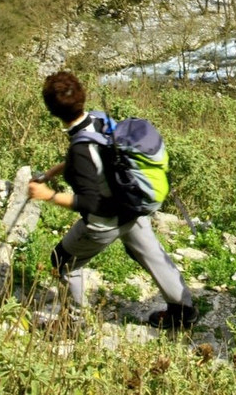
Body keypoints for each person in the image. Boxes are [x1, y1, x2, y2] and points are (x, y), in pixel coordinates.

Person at [28, 70, 198, 329]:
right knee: (152, 255)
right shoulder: (98, 119)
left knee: (62, 262)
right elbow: (102, 152)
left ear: (52, 111)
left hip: (105, 220)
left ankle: (72, 324)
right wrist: (55, 170)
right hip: (132, 206)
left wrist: (48, 195)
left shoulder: (80, 149)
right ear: (82, 97)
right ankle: (183, 311)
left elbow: (89, 203)